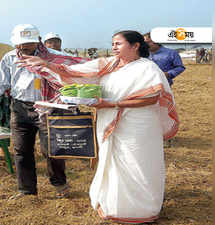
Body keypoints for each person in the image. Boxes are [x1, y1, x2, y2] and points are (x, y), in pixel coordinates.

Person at [16, 30, 179, 224]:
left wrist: (111, 104)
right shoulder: (109, 64)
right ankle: (114, 205)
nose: (113, 47)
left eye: (118, 44)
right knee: (113, 162)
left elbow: (150, 97)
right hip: (109, 119)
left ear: (135, 46)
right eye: (113, 43)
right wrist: (47, 65)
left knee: (137, 163)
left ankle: (141, 210)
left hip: (139, 124)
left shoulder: (147, 68)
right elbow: (77, 71)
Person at [0, 24, 76, 199]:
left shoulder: (55, 57)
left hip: (49, 108)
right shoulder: (9, 58)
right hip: (20, 108)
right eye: (20, 44)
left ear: (38, 41)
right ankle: (27, 190)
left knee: (52, 149)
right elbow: (0, 83)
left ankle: (60, 184)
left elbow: (73, 78)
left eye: (28, 43)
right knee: (21, 150)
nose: (23, 47)